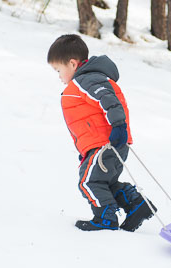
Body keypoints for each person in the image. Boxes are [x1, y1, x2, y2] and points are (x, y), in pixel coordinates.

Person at [47, 34, 156, 232]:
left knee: (88, 182)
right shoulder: (90, 80)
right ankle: (136, 203)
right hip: (108, 144)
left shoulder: (85, 81)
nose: (59, 76)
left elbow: (107, 99)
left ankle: (105, 218)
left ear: (72, 64)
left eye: (58, 70)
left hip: (106, 143)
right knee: (104, 182)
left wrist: (118, 125)